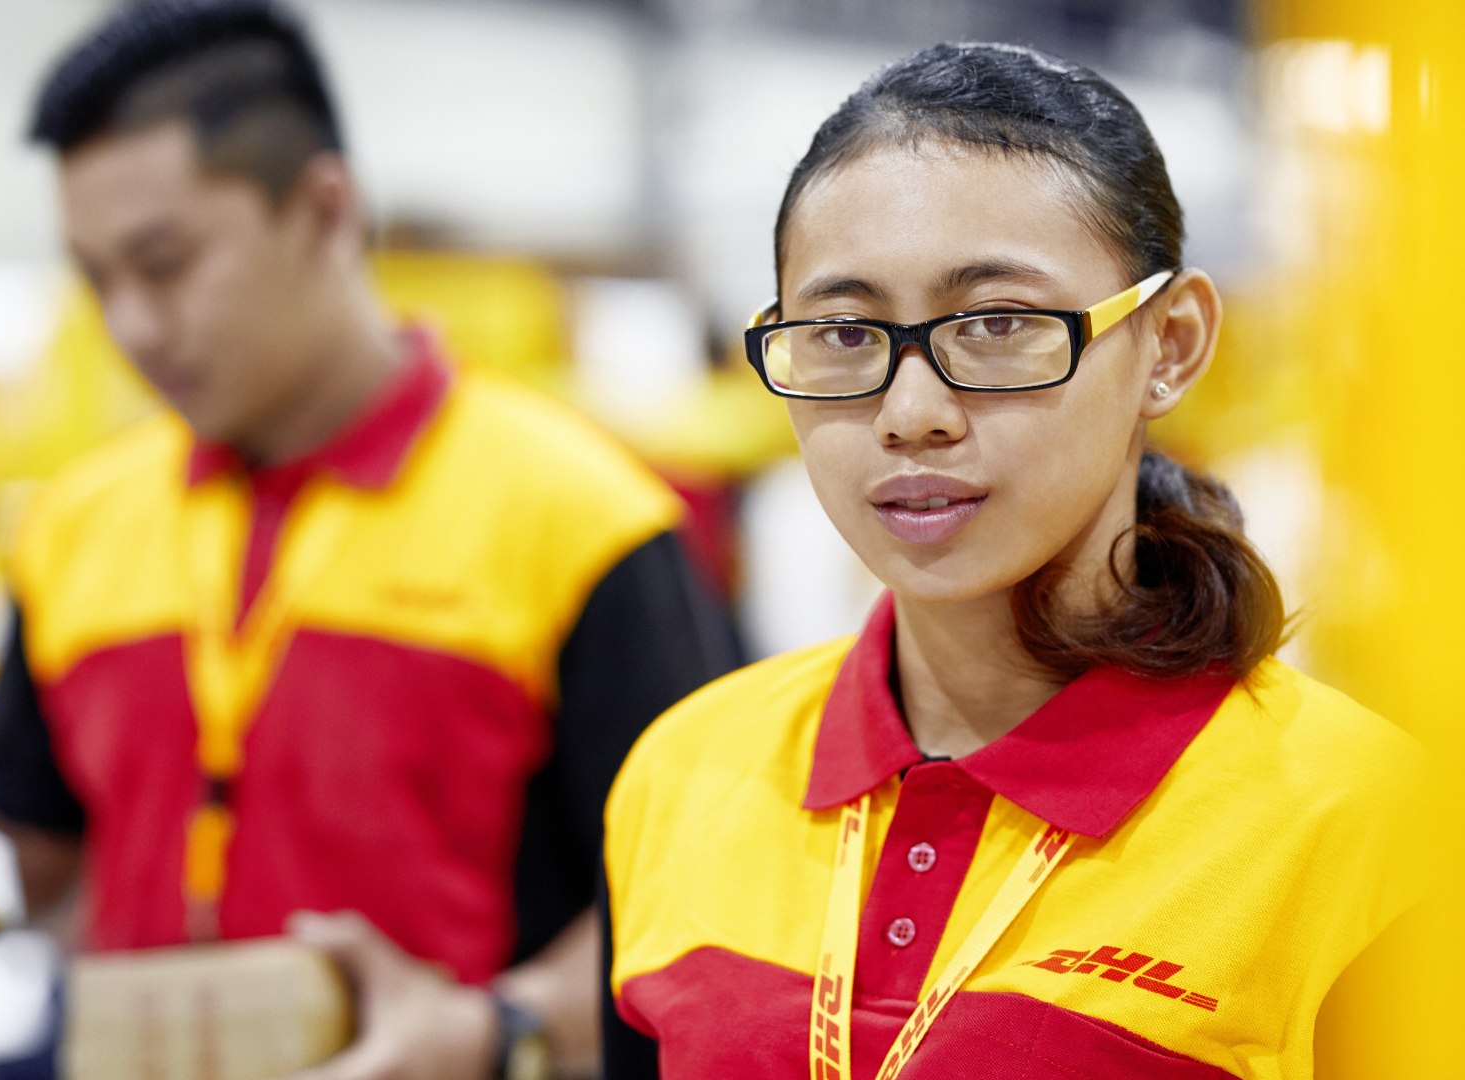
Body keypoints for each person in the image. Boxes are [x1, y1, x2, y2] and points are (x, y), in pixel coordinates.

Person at [601, 42, 1425, 1079]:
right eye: (845, 335)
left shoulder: (1368, 829)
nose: (910, 413)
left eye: (997, 323)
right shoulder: (684, 770)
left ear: (1169, 345)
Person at [0, 2, 740, 1077]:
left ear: (324, 210)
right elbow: (22, 853)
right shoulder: (76, 524)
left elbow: (700, 894)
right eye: (97, 279)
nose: (130, 326)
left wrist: (499, 1031)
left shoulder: (581, 520)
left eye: (166, 264)